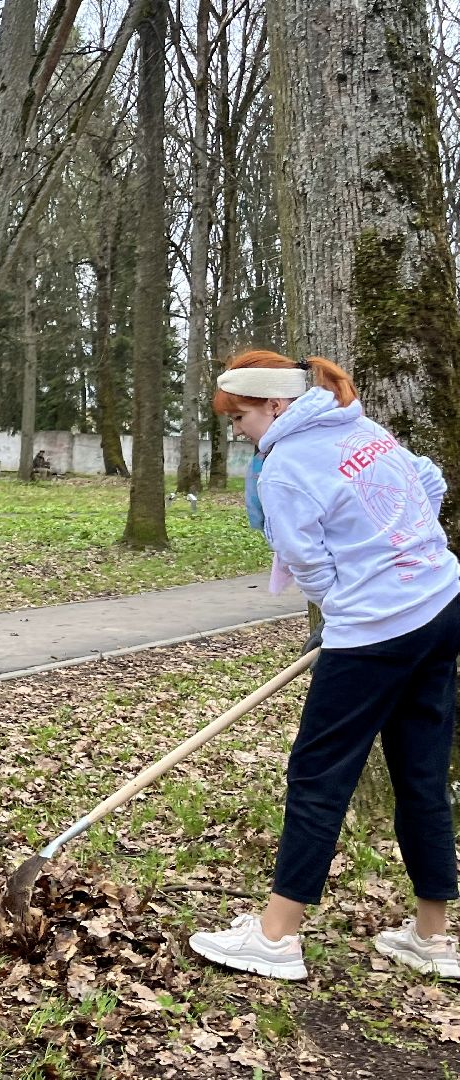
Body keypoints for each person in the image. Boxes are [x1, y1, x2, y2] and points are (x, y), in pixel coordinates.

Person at [189, 348, 460, 981]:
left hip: (375, 632)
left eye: (239, 417)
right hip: (444, 605)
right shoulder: (358, 425)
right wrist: (405, 552)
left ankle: (277, 937)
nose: (236, 431)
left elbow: (307, 563)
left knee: (318, 773)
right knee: (420, 771)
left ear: (275, 406)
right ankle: (434, 935)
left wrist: (353, 605)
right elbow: (430, 482)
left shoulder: (283, 467)